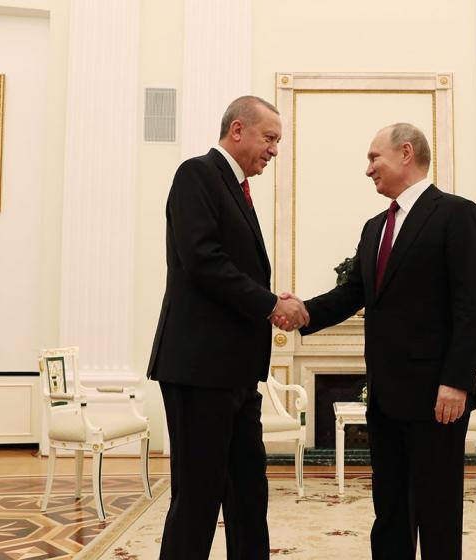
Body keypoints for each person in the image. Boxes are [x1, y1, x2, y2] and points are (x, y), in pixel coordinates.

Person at [279, 123, 476, 559]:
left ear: (406, 152)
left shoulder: (456, 214)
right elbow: (352, 293)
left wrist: (457, 381)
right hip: (386, 396)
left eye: (374, 158)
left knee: (437, 509)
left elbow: (472, 306)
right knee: (389, 508)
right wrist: (302, 312)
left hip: (439, 396)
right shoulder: (375, 226)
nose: (368, 169)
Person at [147, 95, 308, 559]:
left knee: (248, 495)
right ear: (238, 130)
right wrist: (270, 304)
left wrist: (269, 302)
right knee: (198, 499)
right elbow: (203, 260)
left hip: (235, 374)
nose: (275, 150)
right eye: (270, 138)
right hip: (199, 370)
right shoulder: (197, 174)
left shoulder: (235, 187)